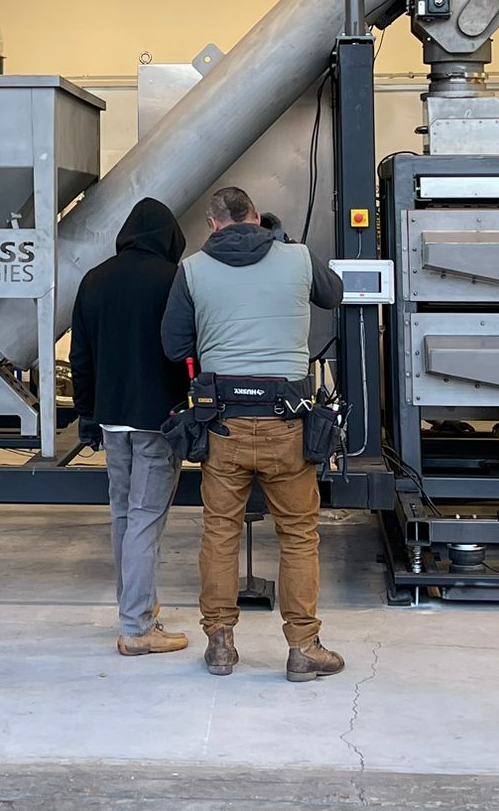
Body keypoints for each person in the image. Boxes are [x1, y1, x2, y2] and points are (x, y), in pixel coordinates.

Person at [162, 185, 345, 683]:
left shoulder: (193, 269)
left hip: (223, 422)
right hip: (288, 420)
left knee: (220, 530)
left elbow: (174, 343)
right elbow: (334, 294)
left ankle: (220, 644)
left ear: (213, 223)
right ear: (257, 216)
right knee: (298, 535)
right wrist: (285, 245)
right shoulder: (298, 257)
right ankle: (304, 647)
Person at [68, 197, 192, 657]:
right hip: (158, 418)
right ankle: (137, 626)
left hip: (111, 418)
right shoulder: (171, 279)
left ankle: (137, 606)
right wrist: (187, 402)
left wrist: (86, 412)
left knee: (123, 514)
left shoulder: (94, 279)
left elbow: (79, 355)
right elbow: (183, 349)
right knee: (145, 516)